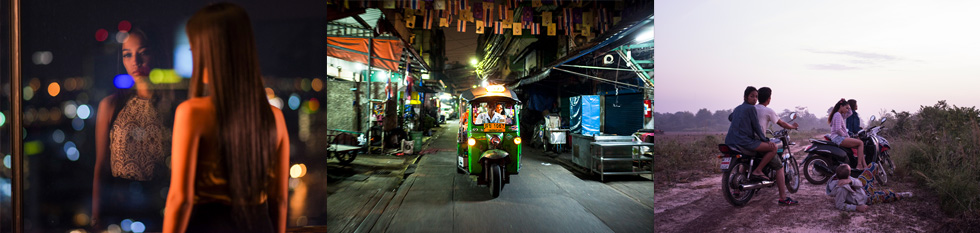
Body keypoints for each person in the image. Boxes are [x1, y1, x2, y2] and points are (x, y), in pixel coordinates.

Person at [164, 3, 289, 233]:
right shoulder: (275, 117)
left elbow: (180, 200)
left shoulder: (191, 112)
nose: (192, 57)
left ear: (209, 52)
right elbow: (279, 199)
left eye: (193, 50)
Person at [92, 27, 175, 232]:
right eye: (127, 55)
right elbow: (101, 165)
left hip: (158, 210)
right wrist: (96, 215)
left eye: (143, 52)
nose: (135, 62)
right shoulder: (110, 105)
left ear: (155, 54)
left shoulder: (172, 106)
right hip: (118, 209)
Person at [725, 86, 798, 205]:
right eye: (752, 96)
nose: (754, 98)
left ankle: (737, 190)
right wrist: (765, 139)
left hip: (733, 141)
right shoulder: (761, 110)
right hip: (751, 141)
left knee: (746, 160)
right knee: (778, 165)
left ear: (758, 98)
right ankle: (782, 197)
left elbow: (731, 117)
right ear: (769, 99)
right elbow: (760, 126)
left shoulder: (742, 108)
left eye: (756, 96)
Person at [826, 163, 911, 212]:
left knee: (873, 165)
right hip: (866, 198)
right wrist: (857, 208)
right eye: (850, 171)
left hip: (862, 188)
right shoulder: (841, 189)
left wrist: (851, 181)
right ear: (848, 174)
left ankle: (875, 183)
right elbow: (839, 205)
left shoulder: (841, 176)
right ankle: (902, 195)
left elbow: (859, 183)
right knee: (889, 193)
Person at [828, 98, 867, 170]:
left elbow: (850, 113)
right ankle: (859, 165)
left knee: (860, 146)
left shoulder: (840, 115)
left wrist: (848, 105)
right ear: (841, 106)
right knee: (861, 143)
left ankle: (864, 165)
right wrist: (846, 136)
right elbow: (838, 129)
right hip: (838, 138)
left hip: (839, 137)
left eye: (848, 108)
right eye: (846, 108)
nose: (847, 110)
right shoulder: (837, 115)